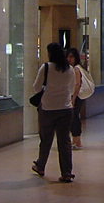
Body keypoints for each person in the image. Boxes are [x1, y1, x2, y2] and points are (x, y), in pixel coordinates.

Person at [32, 42, 76, 183]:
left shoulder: (46, 67)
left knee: (46, 139)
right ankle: (66, 173)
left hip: (48, 108)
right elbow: (71, 88)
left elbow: (36, 88)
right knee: (64, 141)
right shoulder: (69, 69)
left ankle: (41, 166)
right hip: (66, 109)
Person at [66, 48, 84, 149]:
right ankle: (75, 140)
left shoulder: (76, 69)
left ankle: (77, 141)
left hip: (76, 96)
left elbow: (77, 84)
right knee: (74, 117)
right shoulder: (75, 68)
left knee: (74, 118)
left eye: (71, 57)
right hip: (76, 96)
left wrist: (73, 98)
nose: (69, 59)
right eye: (68, 57)